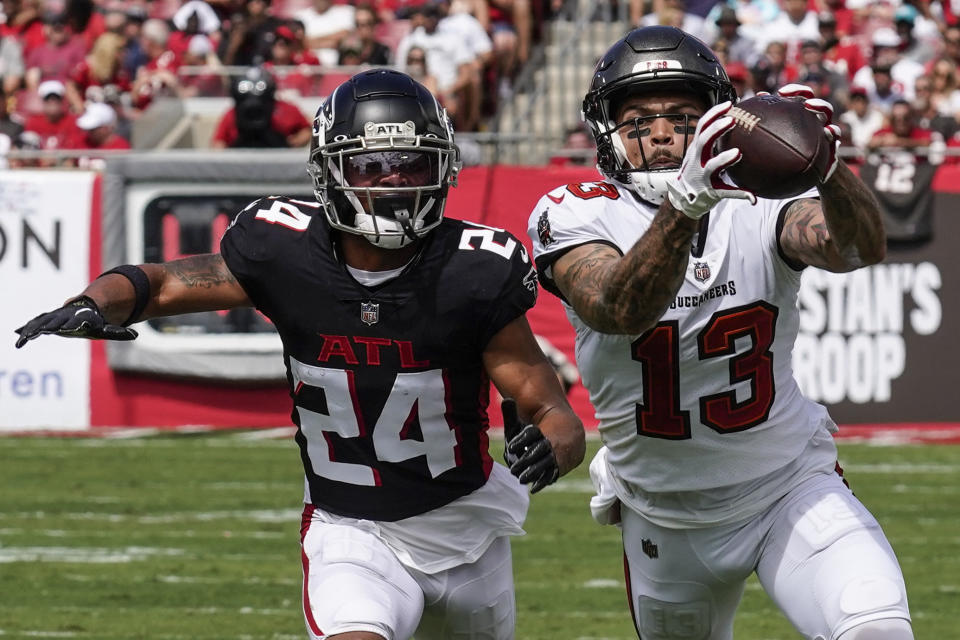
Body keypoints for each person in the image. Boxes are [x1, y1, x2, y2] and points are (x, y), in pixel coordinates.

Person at [16, 68, 585, 640]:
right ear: (330, 172)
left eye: (411, 164)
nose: (392, 183)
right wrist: (96, 300)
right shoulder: (282, 249)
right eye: (370, 167)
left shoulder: (475, 269)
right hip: (350, 528)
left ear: (444, 168)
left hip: (468, 533)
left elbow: (547, 403)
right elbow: (162, 283)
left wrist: (554, 442)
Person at [527, 26, 913, 640]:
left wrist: (828, 167)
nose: (660, 134)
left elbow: (856, 247)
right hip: (664, 516)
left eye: (681, 117)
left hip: (787, 486)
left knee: (875, 626)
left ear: (714, 121)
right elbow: (617, 308)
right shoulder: (574, 209)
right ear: (607, 131)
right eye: (638, 120)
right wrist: (685, 205)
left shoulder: (757, 199)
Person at [210, 66, 311, 148]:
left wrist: (294, 143)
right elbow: (218, 142)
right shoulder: (232, 114)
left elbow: (307, 130)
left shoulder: (286, 109)